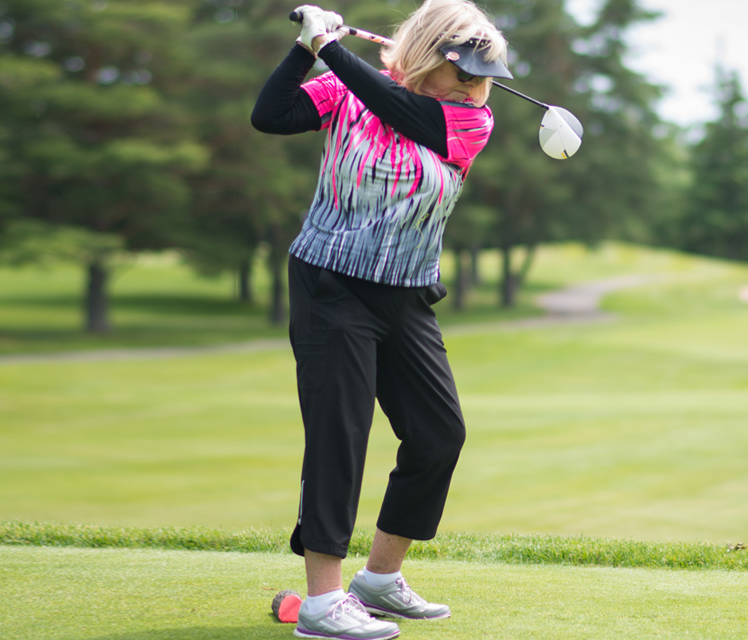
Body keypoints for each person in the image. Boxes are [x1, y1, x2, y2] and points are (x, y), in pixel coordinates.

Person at [250, 2, 512, 638]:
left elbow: (406, 113)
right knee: (340, 435)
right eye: (466, 72)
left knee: (437, 435)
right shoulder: (343, 88)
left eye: (485, 74)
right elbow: (271, 115)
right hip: (331, 285)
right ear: (429, 54)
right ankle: (321, 603)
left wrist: (333, 50)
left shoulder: (469, 118)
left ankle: (379, 580)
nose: (478, 86)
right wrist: (307, 50)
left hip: (407, 294)